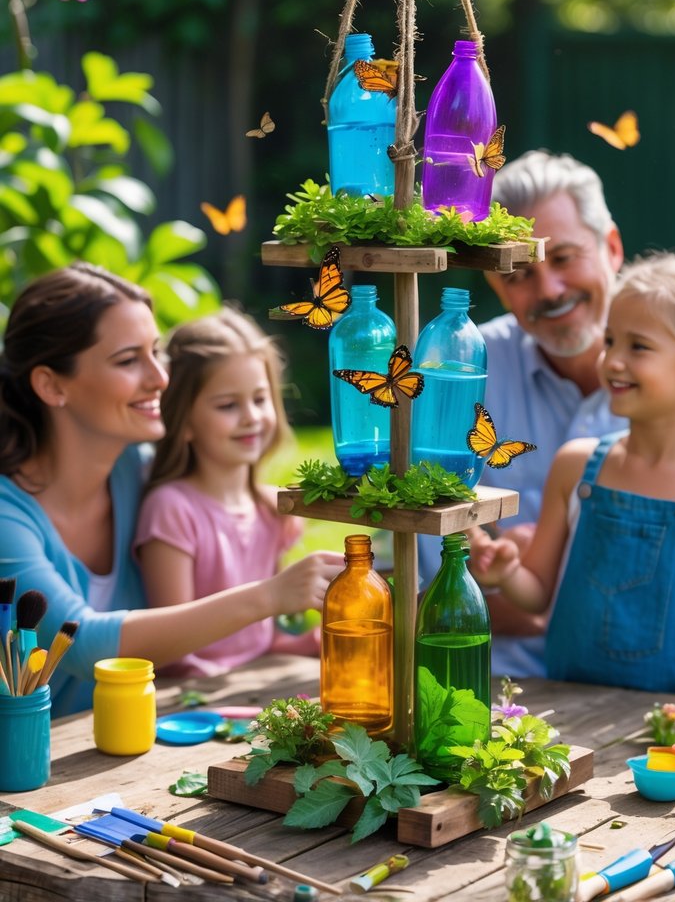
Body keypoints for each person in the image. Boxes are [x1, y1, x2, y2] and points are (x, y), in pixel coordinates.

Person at [0, 263, 341, 716]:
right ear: (51, 384)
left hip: (133, 744)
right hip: (31, 770)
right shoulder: (8, 517)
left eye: (155, 352)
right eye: (127, 360)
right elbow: (80, 644)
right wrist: (270, 595)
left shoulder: (138, 475)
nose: (161, 378)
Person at [471, 253, 675, 700]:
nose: (612, 361)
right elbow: (538, 594)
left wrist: (673, 725)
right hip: (567, 717)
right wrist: (507, 573)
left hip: (664, 741)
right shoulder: (576, 466)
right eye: (610, 340)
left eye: (638, 347)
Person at [418, 151, 626, 677]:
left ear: (613, 248)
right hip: (497, 686)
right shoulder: (458, 374)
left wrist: (532, 606)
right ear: (493, 282)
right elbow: (431, 588)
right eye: (520, 274)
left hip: (643, 685)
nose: (548, 291)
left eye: (563, 258)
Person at [135, 307, 321, 675]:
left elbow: (258, 644)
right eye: (228, 405)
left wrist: (318, 641)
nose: (251, 416)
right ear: (183, 421)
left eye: (259, 399)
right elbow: (170, 650)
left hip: (248, 692)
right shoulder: (171, 510)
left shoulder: (271, 510)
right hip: (187, 703)